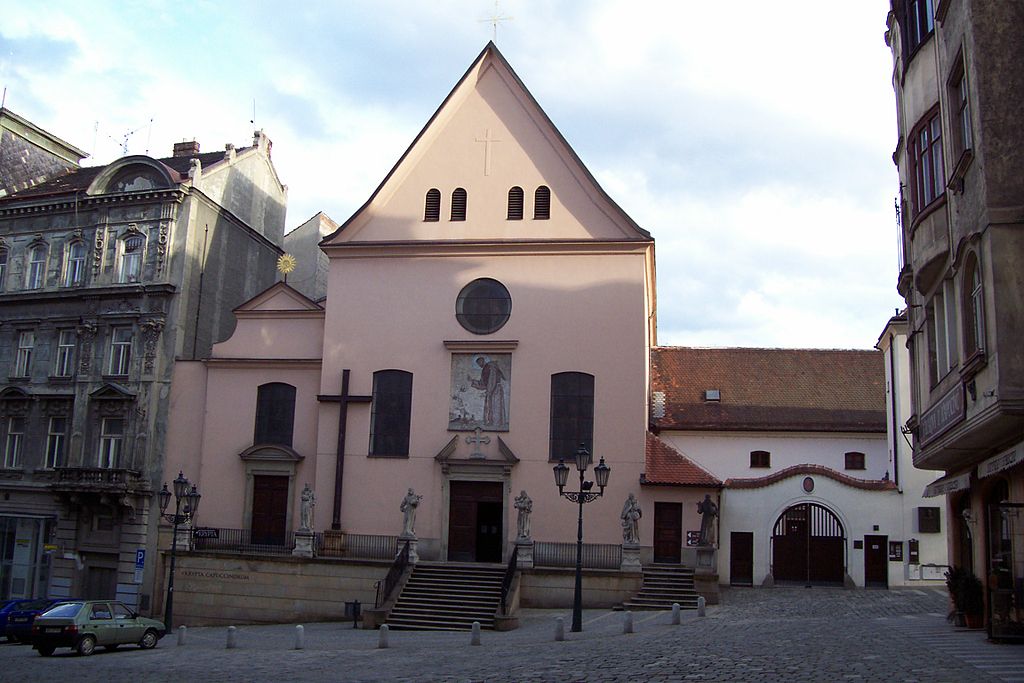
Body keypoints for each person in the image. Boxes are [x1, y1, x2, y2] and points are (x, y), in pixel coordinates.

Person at [468, 356, 507, 428]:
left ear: (483, 361)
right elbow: (483, 384)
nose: (479, 365)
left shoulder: (491, 367)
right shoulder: (484, 370)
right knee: (490, 407)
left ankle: (497, 424)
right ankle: (491, 422)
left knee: (495, 406)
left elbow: (492, 380)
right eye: (478, 364)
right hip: (491, 390)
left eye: (479, 362)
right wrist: (472, 380)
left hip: (496, 390)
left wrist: (489, 391)